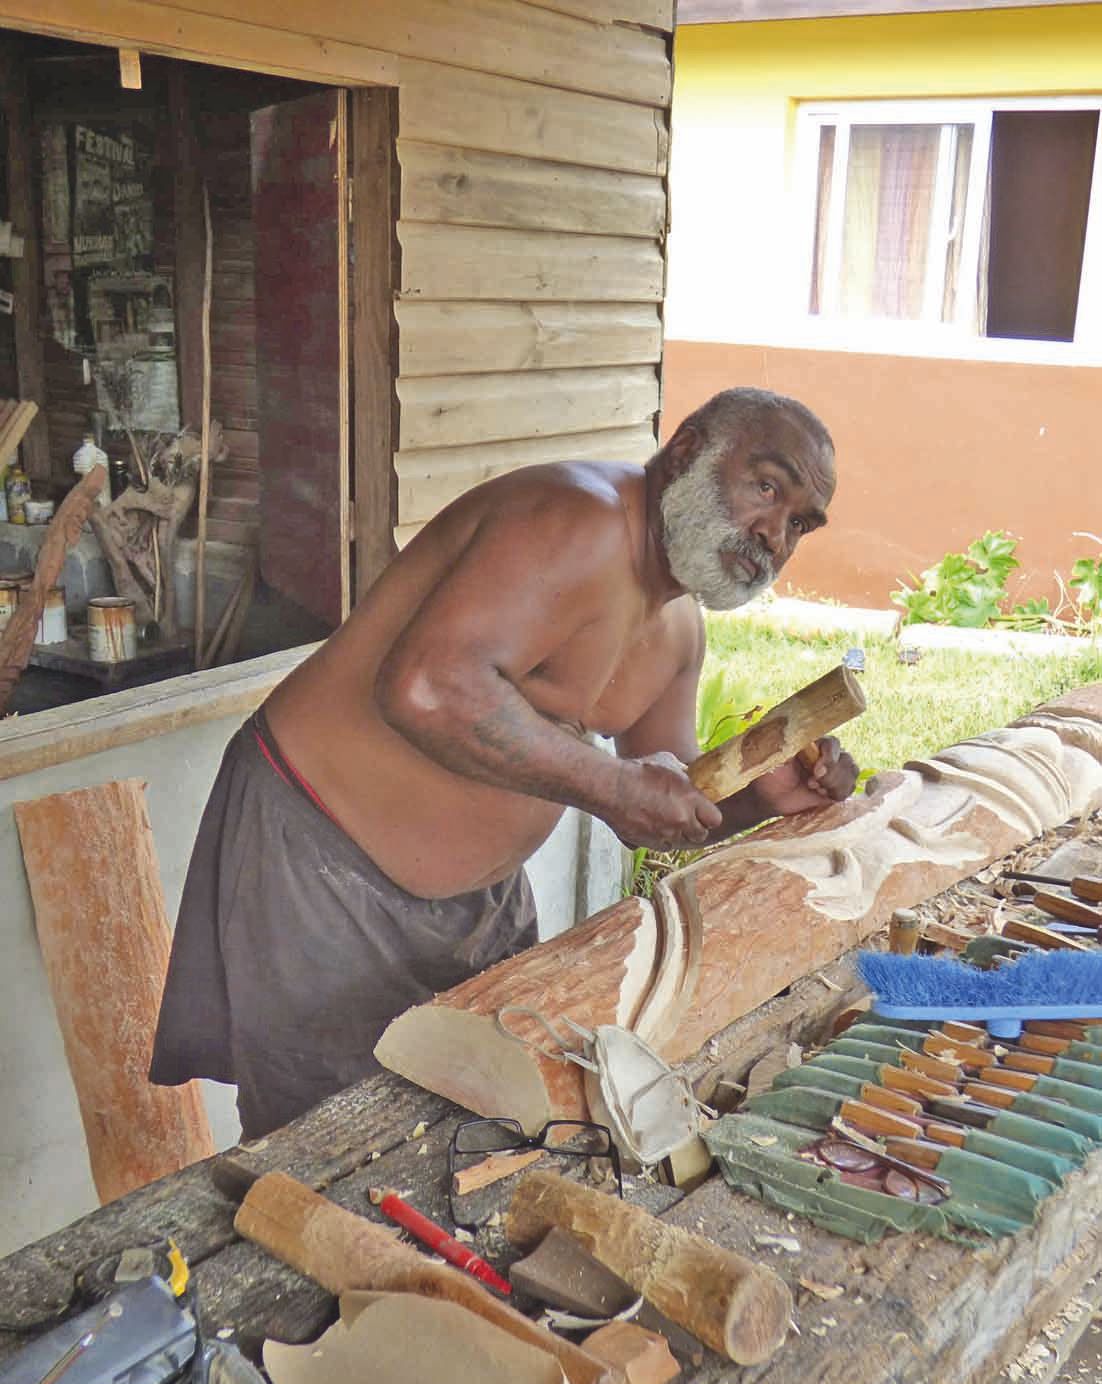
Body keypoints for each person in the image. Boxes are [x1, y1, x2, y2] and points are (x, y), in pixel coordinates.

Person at [150, 387, 857, 1137]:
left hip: (477, 900)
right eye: (766, 488)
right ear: (686, 453)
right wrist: (612, 785)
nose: (773, 535)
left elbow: (671, 798)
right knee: (325, 1140)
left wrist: (759, 797)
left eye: (799, 524)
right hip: (320, 852)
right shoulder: (575, 519)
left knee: (482, 1121)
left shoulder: (677, 624)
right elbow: (427, 689)